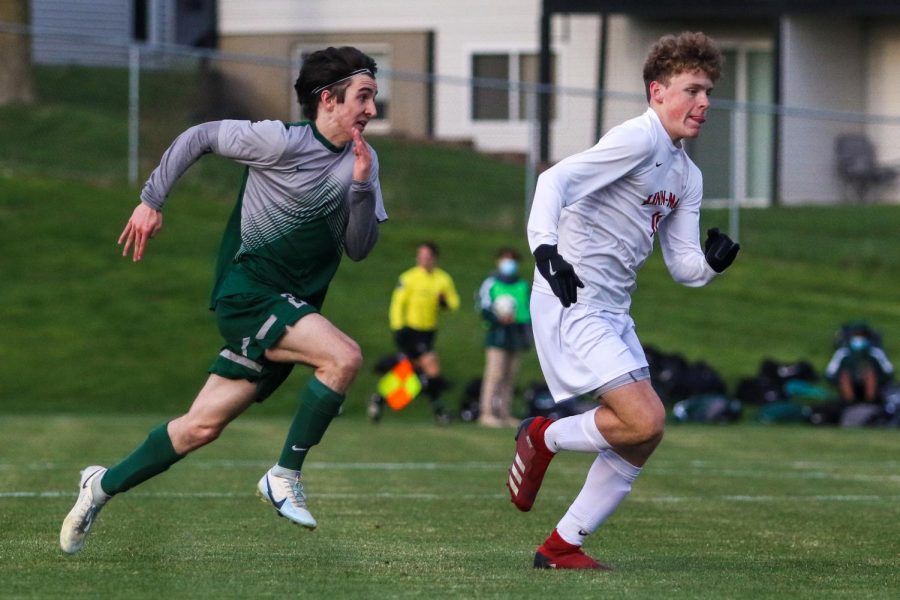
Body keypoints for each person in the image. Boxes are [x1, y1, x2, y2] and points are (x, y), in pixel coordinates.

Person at [60, 46, 387, 554]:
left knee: (199, 428)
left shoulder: (364, 162)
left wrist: (363, 187)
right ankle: (283, 477)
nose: (371, 108)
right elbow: (200, 136)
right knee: (343, 357)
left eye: (372, 97)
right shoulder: (278, 141)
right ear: (328, 99)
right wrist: (151, 200)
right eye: (363, 96)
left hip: (291, 309)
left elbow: (360, 248)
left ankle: (98, 487)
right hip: (250, 296)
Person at [506, 31, 739, 569]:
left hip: (612, 309)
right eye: (692, 90)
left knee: (640, 438)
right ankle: (543, 435)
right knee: (645, 419)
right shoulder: (638, 138)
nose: (703, 103)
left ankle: (562, 545)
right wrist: (546, 252)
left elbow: (683, 267)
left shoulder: (688, 174)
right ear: (657, 91)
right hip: (572, 297)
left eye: (708, 92)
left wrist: (712, 263)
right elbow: (553, 181)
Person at [375, 241, 460, 424]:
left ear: (434, 258)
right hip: (410, 331)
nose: (423, 260)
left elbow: (454, 303)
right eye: (420, 256)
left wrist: (444, 302)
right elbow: (398, 304)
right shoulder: (409, 278)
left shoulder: (442, 279)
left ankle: (379, 400)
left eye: (427, 256)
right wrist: (398, 327)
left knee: (411, 371)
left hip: (429, 331)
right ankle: (439, 410)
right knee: (431, 365)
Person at [475, 248, 532, 427]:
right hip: (497, 335)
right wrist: (498, 318)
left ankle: (504, 413)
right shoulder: (491, 283)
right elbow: (483, 307)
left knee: (510, 376)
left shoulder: (522, 285)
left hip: (516, 335)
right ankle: (486, 412)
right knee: (494, 374)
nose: (509, 263)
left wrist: (526, 333)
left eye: (512, 259)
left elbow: (528, 310)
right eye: (505, 259)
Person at [825, 321, 894, 404]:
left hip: (874, 388)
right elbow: (830, 373)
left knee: (869, 373)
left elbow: (888, 371)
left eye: (861, 335)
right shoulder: (842, 352)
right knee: (845, 375)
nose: (858, 339)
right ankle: (850, 403)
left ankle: (870, 402)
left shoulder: (875, 352)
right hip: (848, 386)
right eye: (856, 335)